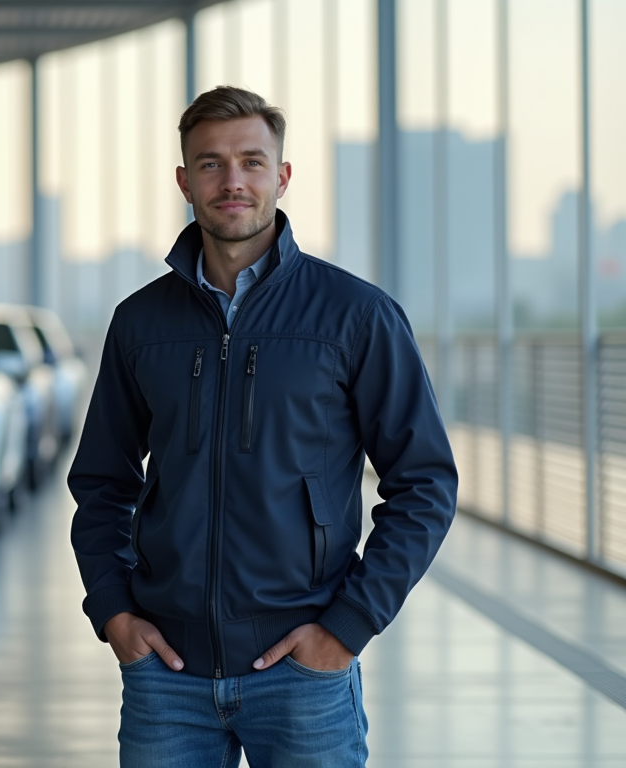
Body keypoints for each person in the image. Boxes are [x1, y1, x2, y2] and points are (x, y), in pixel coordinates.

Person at [67, 86, 458, 768]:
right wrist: (113, 612)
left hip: (304, 672)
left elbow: (425, 483)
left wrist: (347, 628)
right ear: (184, 181)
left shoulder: (355, 316)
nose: (233, 181)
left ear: (282, 176)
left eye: (252, 161)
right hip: (167, 675)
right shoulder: (140, 322)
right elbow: (102, 481)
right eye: (211, 164)